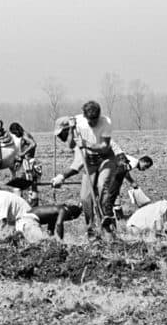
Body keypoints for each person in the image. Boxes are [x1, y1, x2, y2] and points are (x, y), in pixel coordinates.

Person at [49, 101, 126, 238]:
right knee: (85, 198)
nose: (92, 124)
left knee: (103, 186)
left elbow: (104, 147)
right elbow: (72, 145)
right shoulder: (77, 122)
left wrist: (87, 144)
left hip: (106, 159)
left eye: (95, 120)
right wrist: (72, 130)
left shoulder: (106, 122)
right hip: (89, 162)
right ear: (84, 117)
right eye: (90, 121)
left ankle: (107, 221)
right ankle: (91, 228)